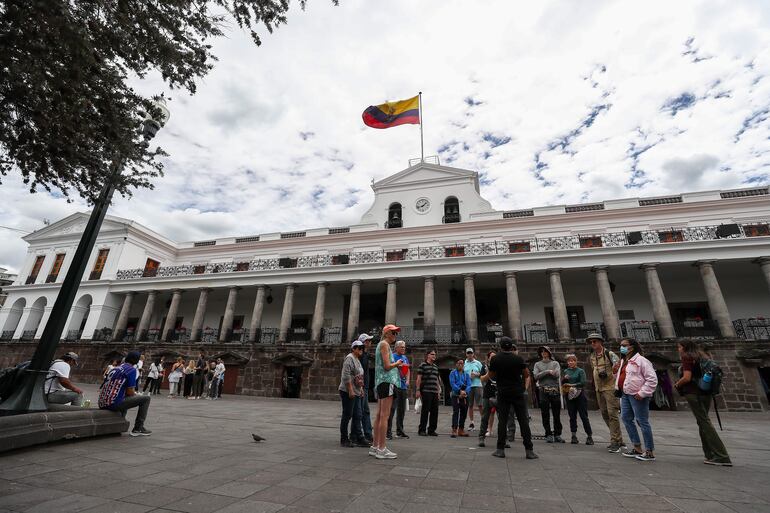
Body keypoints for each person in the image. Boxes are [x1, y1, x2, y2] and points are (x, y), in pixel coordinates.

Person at [674, 341, 732, 466]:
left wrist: (678, 383)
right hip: (705, 393)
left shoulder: (686, 357)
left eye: (679, 347)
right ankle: (710, 454)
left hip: (694, 393)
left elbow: (687, 377)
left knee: (704, 422)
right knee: (702, 422)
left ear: (685, 348)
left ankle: (722, 456)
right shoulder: (701, 357)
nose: (678, 349)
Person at [486, 337, 537, 459]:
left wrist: (485, 376)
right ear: (511, 347)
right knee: (523, 421)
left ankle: (500, 449)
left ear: (500, 346)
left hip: (503, 392)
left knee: (503, 421)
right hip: (518, 392)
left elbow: (491, 375)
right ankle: (529, 450)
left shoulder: (496, 359)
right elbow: (526, 374)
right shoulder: (518, 358)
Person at [617, 338, 657, 462]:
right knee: (626, 418)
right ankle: (637, 447)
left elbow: (652, 379)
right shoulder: (625, 361)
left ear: (632, 347)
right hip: (625, 394)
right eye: (621, 345)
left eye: (624, 345)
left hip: (637, 395)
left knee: (642, 421)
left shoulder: (641, 361)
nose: (621, 348)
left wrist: (642, 392)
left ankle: (649, 451)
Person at [98, 351, 152, 436]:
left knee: (124, 396)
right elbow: (130, 392)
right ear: (137, 361)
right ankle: (138, 428)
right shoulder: (131, 370)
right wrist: (136, 394)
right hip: (113, 403)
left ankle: (120, 423)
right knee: (146, 399)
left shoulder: (116, 368)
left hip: (102, 402)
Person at [587, 333, 625, 453]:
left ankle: (615, 441)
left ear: (600, 342)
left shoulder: (609, 353)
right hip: (599, 388)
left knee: (612, 413)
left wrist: (615, 368)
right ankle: (618, 438)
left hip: (609, 387)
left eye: (595, 341)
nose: (593, 344)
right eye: (591, 342)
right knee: (604, 413)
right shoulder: (592, 356)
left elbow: (618, 365)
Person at [372, 324, 403, 459]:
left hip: (381, 382)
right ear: (386, 334)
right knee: (385, 415)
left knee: (379, 415)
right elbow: (386, 366)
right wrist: (397, 363)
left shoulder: (382, 345)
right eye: (393, 333)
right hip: (387, 381)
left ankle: (375, 446)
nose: (395, 335)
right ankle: (382, 448)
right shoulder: (384, 345)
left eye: (396, 333)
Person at [533, 346, 564, 443]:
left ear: (549, 352)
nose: (543, 353)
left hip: (554, 390)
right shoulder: (537, 364)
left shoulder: (555, 363)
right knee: (545, 413)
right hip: (543, 390)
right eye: (542, 351)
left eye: (545, 351)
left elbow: (557, 374)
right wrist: (547, 371)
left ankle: (557, 434)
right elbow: (536, 376)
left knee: (556, 414)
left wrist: (545, 373)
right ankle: (548, 434)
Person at [339, 340, 367, 447]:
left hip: (356, 391)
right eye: (359, 348)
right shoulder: (349, 358)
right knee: (347, 415)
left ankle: (359, 437)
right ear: (353, 349)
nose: (361, 350)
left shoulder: (357, 360)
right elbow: (346, 376)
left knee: (358, 415)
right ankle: (344, 438)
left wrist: (361, 390)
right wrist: (350, 390)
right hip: (347, 391)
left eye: (362, 348)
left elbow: (359, 376)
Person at [562, 354, 593, 445]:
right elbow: (563, 383)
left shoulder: (580, 371)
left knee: (584, 416)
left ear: (576, 361)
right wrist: (564, 379)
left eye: (572, 360)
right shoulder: (566, 371)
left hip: (580, 395)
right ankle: (573, 436)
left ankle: (589, 436)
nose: (570, 362)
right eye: (569, 361)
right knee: (572, 416)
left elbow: (583, 382)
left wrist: (572, 385)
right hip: (570, 395)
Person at [387, 340, 410, 440]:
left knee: (401, 410)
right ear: (396, 348)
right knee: (391, 409)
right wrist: (397, 366)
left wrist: (408, 380)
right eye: (401, 347)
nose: (403, 349)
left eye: (404, 347)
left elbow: (408, 369)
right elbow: (388, 368)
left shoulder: (405, 358)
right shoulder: (392, 356)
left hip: (403, 386)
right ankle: (388, 432)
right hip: (394, 385)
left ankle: (400, 431)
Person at [416, 348, 442, 437]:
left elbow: (437, 380)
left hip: (434, 391)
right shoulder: (422, 365)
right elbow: (419, 378)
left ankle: (431, 430)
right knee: (425, 411)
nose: (434, 356)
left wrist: (438, 391)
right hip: (426, 391)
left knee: (435, 412)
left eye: (434, 354)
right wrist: (418, 390)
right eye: (432, 354)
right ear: (428, 355)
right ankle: (422, 430)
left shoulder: (435, 367)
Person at [354, 333, 375, 445]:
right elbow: (358, 373)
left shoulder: (365, 354)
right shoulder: (361, 355)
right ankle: (359, 435)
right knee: (360, 411)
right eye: (368, 341)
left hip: (364, 386)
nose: (370, 343)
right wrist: (361, 387)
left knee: (364, 411)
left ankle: (367, 434)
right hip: (361, 387)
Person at [464, 347, 484, 432]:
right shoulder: (464, 363)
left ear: (473, 354)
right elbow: (462, 374)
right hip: (468, 386)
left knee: (480, 404)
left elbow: (483, 373)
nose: (469, 354)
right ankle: (472, 423)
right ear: (466, 354)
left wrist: (476, 374)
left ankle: (484, 423)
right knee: (470, 405)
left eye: (471, 353)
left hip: (477, 385)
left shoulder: (478, 363)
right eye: (468, 353)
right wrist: (467, 378)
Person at [449, 359, 470, 437]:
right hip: (456, 395)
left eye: (462, 363)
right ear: (456, 364)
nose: (460, 365)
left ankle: (461, 430)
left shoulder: (466, 374)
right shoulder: (452, 373)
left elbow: (469, 384)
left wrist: (465, 392)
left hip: (465, 396)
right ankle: (454, 429)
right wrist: (459, 391)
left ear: (464, 364)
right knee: (456, 412)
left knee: (464, 413)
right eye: (458, 363)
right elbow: (452, 383)